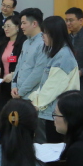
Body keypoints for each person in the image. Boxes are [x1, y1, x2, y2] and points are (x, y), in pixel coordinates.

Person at [29, 16, 80, 143]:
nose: (42, 36)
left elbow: (52, 88)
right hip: (49, 112)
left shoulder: (63, 56)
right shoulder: (58, 53)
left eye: (45, 33)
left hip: (53, 115)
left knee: (49, 149)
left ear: (54, 34)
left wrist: (36, 104)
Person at [10, 8, 49, 142]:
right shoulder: (26, 42)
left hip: (34, 97)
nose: (21, 27)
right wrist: (14, 86)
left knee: (38, 135)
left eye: (24, 23)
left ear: (34, 24)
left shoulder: (43, 43)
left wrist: (21, 91)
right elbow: (19, 67)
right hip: (20, 94)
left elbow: (38, 73)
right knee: (21, 134)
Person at [0, 14, 26, 129]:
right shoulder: (4, 43)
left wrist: (13, 74)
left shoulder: (23, 44)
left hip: (16, 84)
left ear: (17, 27)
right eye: (4, 26)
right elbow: (4, 60)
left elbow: (24, 64)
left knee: (14, 115)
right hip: (4, 83)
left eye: (8, 26)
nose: (6, 29)